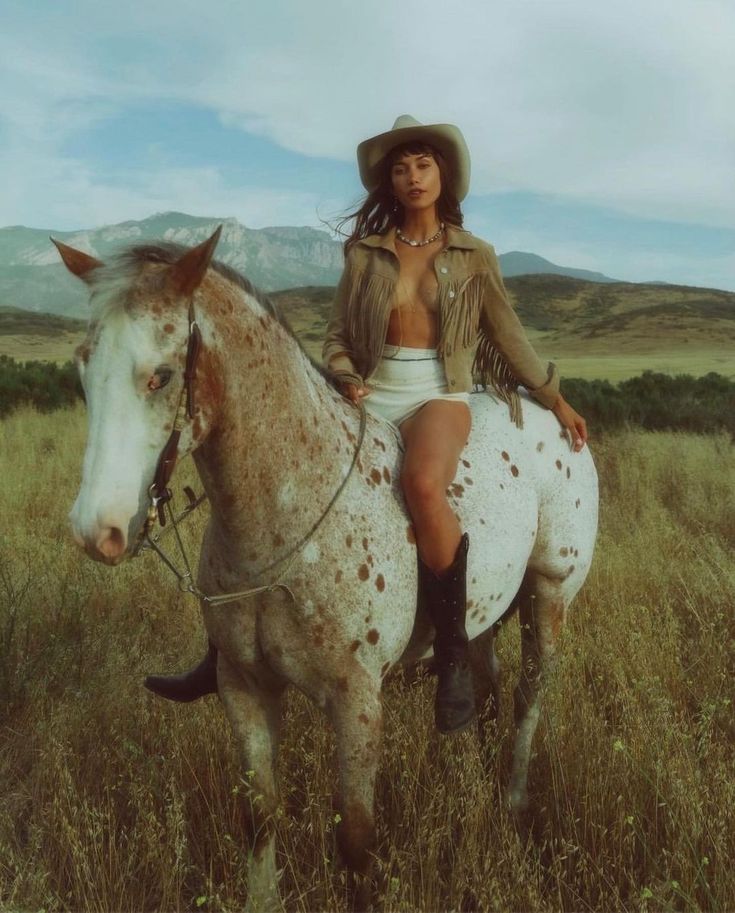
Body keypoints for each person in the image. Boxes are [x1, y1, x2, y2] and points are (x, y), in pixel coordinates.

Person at [145, 115, 587, 732]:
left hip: (438, 395)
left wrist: (554, 398)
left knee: (425, 487)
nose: (412, 177)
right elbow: (337, 336)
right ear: (390, 182)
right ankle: (225, 651)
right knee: (273, 489)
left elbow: (508, 337)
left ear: (443, 175)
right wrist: (345, 373)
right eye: (401, 168)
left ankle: (454, 655)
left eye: (423, 165)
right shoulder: (365, 256)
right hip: (373, 391)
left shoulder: (473, 256)